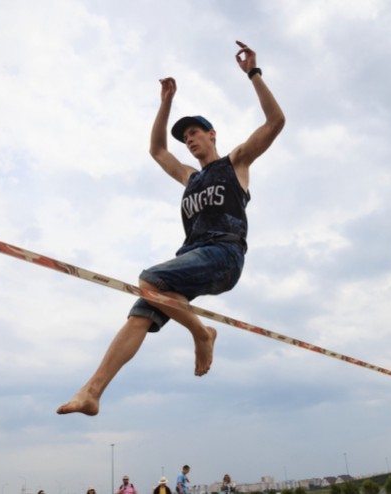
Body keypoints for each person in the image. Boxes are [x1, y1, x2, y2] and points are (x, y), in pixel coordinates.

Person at [57, 40, 285, 416]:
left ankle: (201, 334)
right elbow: (158, 151)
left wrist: (253, 74)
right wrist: (165, 103)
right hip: (193, 258)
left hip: (224, 255)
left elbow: (275, 122)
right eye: (185, 137)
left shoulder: (235, 163)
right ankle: (92, 392)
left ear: (212, 134)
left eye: (195, 132)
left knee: (149, 278)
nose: (189, 139)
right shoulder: (189, 177)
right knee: (141, 313)